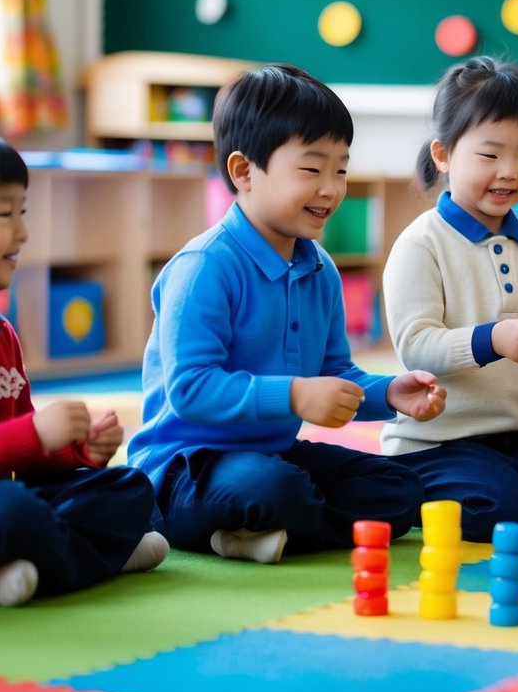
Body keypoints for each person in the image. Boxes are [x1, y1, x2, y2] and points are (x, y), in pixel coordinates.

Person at [129, 64, 445, 564]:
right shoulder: (205, 267)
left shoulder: (319, 269)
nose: (331, 188)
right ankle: (201, 520)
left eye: (340, 169)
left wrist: (389, 393)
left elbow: (335, 374)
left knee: (401, 489)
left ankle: (248, 532)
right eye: (311, 169)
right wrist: (296, 394)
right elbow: (189, 390)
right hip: (186, 466)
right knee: (272, 487)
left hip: (273, 456)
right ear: (243, 171)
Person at [0, 122, 167, 606]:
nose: (22, 232)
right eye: (3, 215)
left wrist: (76, 451)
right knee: (9, 511)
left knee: (130, 486)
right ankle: (93, 557)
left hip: (3, 507)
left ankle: (22, 567)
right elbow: (10, 442)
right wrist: (34, 433)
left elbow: (22, 451)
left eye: (22, 212)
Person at [380, 56, 518, 543]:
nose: (508, 172)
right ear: (443, 154)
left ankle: (509, 486)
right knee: (505, 510)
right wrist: (496, 339)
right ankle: (403, 485)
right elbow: (417, 346)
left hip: (517, 437)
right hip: (434, 442)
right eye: (490, 154)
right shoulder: (421, 244)